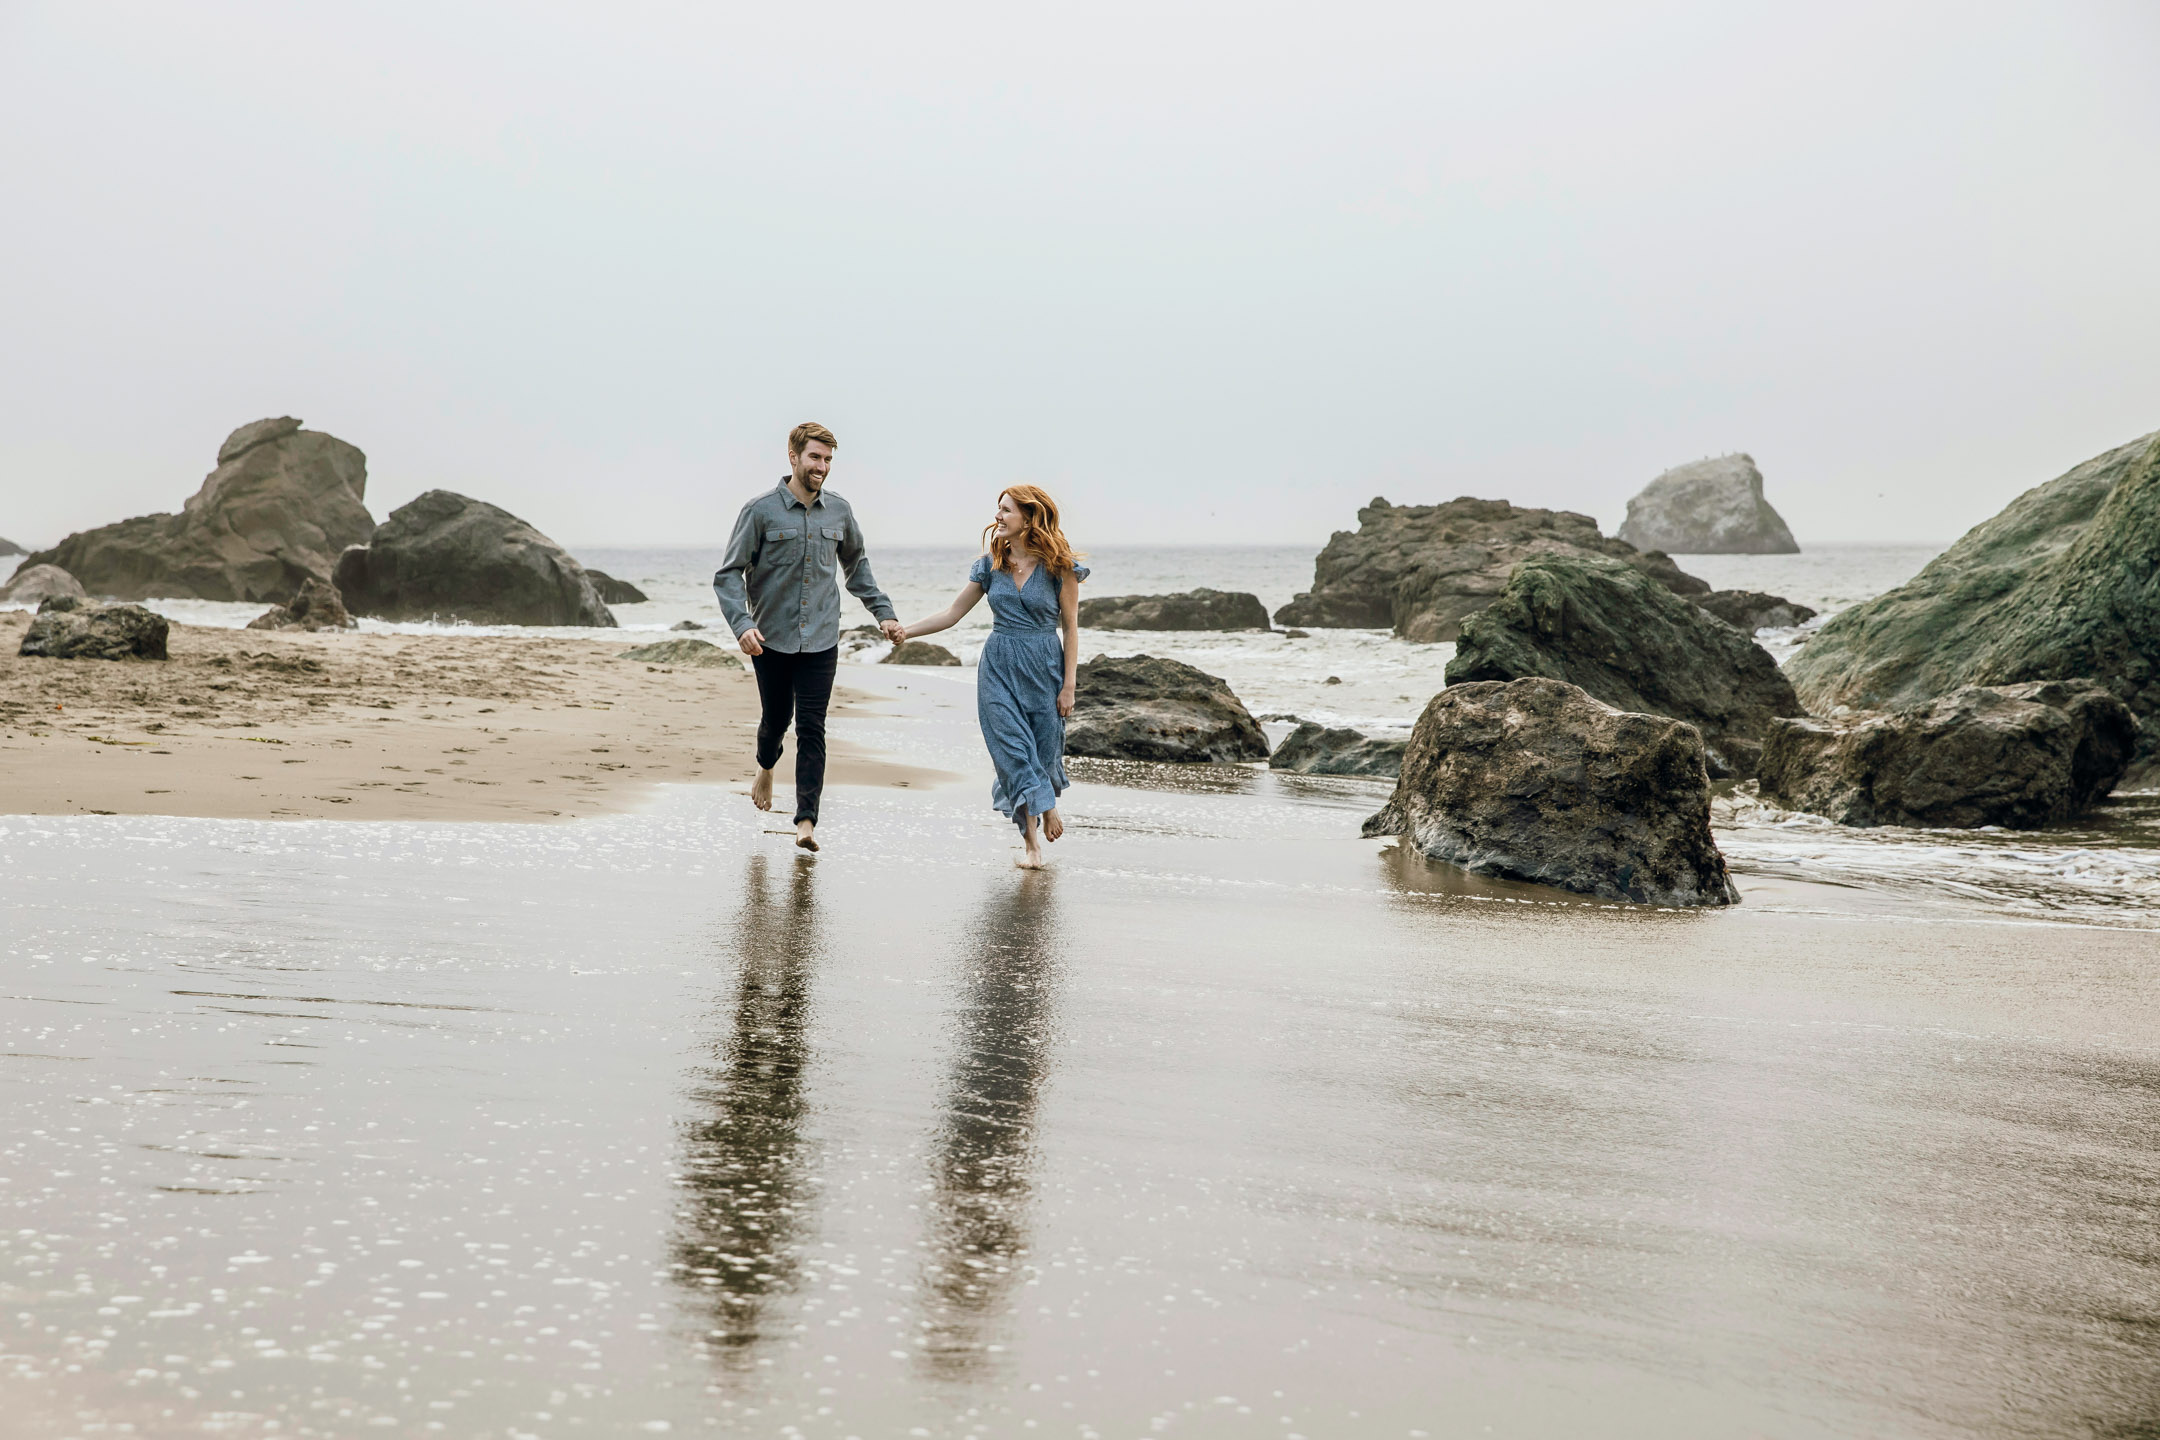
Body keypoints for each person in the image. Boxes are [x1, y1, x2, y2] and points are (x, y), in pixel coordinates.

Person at [714, 422, 905, 851]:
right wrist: (742, 625)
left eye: (828, 459)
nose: (822, 467)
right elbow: (728, 575)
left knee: (812, 727)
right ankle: (765, 766)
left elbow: (857, 566)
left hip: (821, 638)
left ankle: (805, 821)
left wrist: (884, 614)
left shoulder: (839, 511)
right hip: (771, 640)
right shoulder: (760, 511)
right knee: (776, 722)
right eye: (815, 457)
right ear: (793, 456)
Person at [901, 486, 1087, 869]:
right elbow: (953, 614)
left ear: (1029, 517)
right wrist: (907, 632)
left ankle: (1043, 800)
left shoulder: (1060, 567)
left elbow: (1070, 628)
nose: (997, 516)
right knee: (1013, 753)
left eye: (1006, 510)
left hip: (1045, 668)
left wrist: (1069, 685)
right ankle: (1032, 841)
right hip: (999, 667)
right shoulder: (989, 566)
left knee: (1043, 750)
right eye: (998, 510)